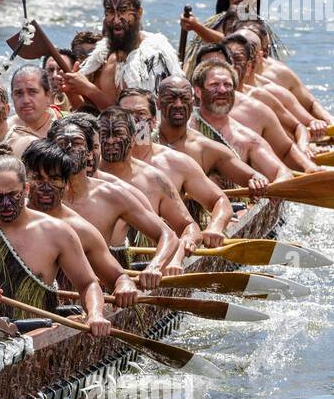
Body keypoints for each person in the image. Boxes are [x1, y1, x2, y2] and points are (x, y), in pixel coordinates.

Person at [0, 154, 109, 337]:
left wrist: (95, 314)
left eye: (12, 195)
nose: (5, 204)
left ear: (26, 189)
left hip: (40, 332)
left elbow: (88, 283)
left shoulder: (57, 232)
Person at [50, 115, 178, 288]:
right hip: (51, 294)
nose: (69, 148)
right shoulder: (38, 197)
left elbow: (168, 235)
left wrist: (155, 266)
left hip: (98, 292)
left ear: (90, 152)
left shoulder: (112, 195)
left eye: (77, 142)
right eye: (61, 143)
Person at [20, 138, 139, 307]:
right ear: (25, 182)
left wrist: (125, 285)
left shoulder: (80, 230)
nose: (45, 187)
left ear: (67, 184)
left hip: (62, 312)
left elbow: (119, 277)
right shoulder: (10, 217)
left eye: (54, 179)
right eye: (38, 179)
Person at [116, 88, 232, 247]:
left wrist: (215, 227)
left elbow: (219, 199)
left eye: (140, 114)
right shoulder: (98, 165)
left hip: (165, 255)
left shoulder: (176, 163)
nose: (132, 121)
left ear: (153, 122)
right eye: (125, 114)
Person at [96, 105, 199, 262]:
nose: (110, 141)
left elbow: (187, 226)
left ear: (132, 138)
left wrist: (187, 242)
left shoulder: (155, 179)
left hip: (144, 269)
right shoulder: (85, 176)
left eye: (117, 134)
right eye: (104, 135)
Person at [62, 0, 183, 110]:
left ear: (139, 13)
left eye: (123, 11)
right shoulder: (100, 59)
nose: (116, 20)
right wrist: (72, 92)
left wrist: (90, 90)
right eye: (110, 12)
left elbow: (140, 117)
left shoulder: (155, 57)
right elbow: (91, 114)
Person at [153, 75, 271, 196]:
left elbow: (252, 176)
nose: (178, 104)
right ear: (158, 103)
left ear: (192, 103)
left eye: (184, 98)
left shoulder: (206, 149)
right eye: (170, 98)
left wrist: (258, 181)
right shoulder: (144, 145)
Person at [191, 61, 292, 183]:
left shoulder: (247, 139)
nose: (222, 90)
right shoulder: (185, 128)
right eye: (214, 85)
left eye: (228, 85)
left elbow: (283, 173)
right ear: (198, 91)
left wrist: (271, 187)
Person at [5, 65, 60, 155]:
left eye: (32, 92)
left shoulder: (65, 127)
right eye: (19, 93)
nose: (25, 100)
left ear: (48, 95)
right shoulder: (5, 132)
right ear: (12, 97)